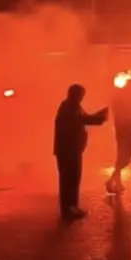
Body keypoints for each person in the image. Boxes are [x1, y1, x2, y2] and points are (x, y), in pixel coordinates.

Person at [53, 84, 109, 220]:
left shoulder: (73, 106)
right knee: (69, 179)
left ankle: (72, 206)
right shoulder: (68, 107)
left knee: (73, 178)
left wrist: (99, 115)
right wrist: (99, 118)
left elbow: (83, 118)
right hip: (68, 150)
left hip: (73, 149)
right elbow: (81, 120)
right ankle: (69, 209)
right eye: (81, 94)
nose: (82, 98)